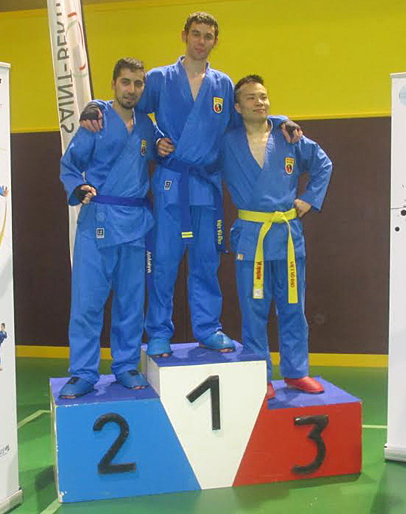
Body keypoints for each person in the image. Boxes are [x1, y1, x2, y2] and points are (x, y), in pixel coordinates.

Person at [80, 12, 302, 358]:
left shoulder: (223, 84)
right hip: (172, 183)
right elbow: (128, 103)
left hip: (206, 186)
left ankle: (208, 327)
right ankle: (158, 332)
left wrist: (280, 119)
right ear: (184, 35)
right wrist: (95, 107)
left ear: (215, 41)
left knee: (205, 262)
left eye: (208, 36)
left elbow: (244, 118)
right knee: (164, 263)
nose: (201, 41)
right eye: (196, 34)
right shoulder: (159, 79)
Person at [220, 75, 332, 399]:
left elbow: (323, 164)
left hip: (286, 234)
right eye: (251, 98)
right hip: (251, 234)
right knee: (253, 308)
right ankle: (260, 374)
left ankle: (296, 372)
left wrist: (309, 199)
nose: (260, 103)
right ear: (237, 107)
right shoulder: (227, 141)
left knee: (293, 306)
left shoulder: (289, 137)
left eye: (264, 97)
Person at [57, 58, 157, 399]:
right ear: (114, 84)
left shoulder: (146, 126)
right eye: (125, 82)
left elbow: (161, 149)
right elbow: (70, 164)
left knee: (131, 301)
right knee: (87, 301)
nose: (132, 89)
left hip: (135, 223)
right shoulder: (96, 121)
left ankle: (126, 364)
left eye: (138, 83)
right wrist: (78, 187)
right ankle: (84, 371)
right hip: (98, 221)